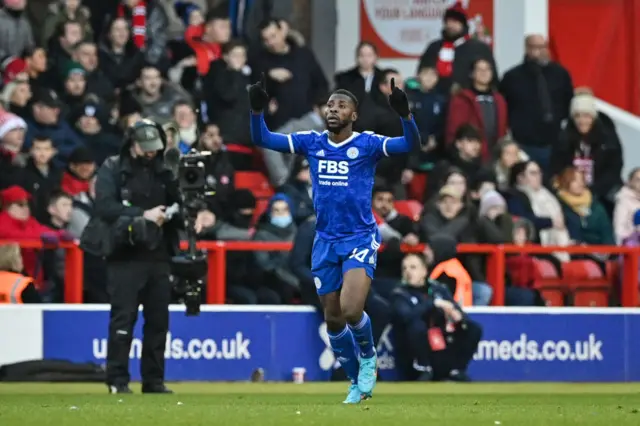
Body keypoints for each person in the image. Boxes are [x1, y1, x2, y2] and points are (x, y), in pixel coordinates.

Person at [248, 75, 419, 403]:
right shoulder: (312, 142)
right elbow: (264, 138)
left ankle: (368, 358)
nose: (333, 110)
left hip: (358, 238)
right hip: (325, 240)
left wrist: (405, 117)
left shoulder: (367, 144)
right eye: (330, 105)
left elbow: (409, 145)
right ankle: (355, 379)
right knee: (333, 318)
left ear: (353, 115)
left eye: (341, 106)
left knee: (352, 308)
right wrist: (256, 111)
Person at [86, 119, 215, 394]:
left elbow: (180, 201)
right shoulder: (112, 168)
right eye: (145, 148)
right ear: (132, 144)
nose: (150, 153)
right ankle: (117, 379)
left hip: (159, 255)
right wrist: (141, 215)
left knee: (159, 321)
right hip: (125, 254)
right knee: (124, 319)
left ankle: (153, 380)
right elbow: (105, 208)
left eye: (154, 148)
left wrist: (191, 216)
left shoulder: (164, 169)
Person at [391, 253, 482, 381]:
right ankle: (423, 368)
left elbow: (457, 311)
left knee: (473, 328)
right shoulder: (399, 293)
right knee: (417, 326)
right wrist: (432, 304)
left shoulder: (439, 289)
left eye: (413, 267)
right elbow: (406, 316)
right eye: (404, 268)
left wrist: (457, 317)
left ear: (424, 270)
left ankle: (456, 371)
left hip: (441, 345)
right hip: (413, 353)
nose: (408, 272)